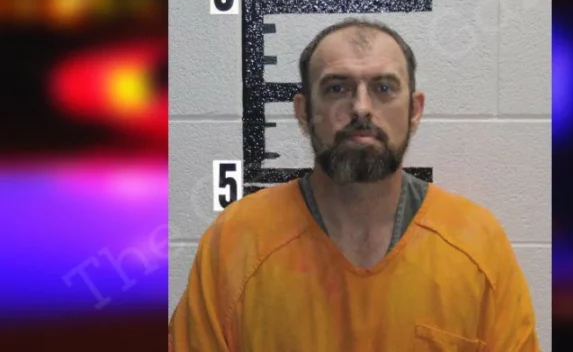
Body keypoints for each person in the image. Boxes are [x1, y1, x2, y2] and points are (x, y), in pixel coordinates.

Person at [169, 18, 541, 351]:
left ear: (414, 111)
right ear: (303, 112)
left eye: (384, 87)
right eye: (337, 88)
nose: (362, 107)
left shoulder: (477, 243)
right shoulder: (236, 241)